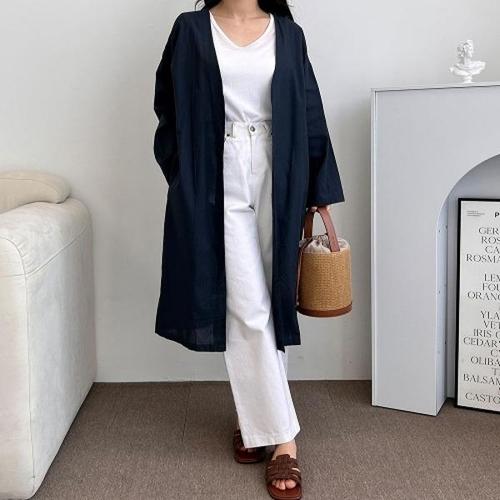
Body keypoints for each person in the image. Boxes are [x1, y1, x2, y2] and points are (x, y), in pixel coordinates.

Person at [153, 1, 345, 498]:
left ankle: (251, 419)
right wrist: (184, 174)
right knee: (246, 303)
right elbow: (167, 106)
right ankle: (284, 440)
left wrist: (318, 186)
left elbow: (309, 108)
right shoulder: (191, 29)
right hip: (216, 171)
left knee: (273, 300)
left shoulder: (287, 33)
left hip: (280, 168)